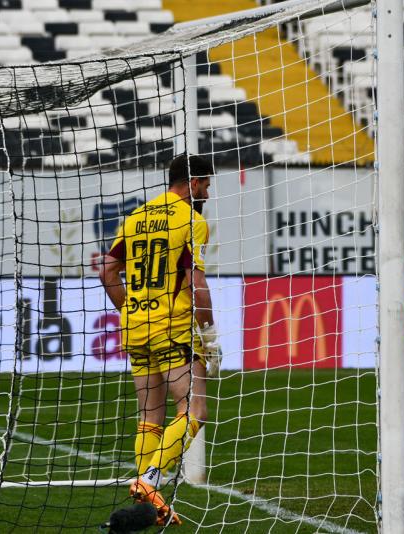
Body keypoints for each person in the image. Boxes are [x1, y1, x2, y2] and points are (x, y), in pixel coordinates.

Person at [99, 154, 222, 526]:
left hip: (135, 328)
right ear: (194, 182)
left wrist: (130, 311)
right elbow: (195, 282)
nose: (207, 193)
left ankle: (145, 506)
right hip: (173, 325)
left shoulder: (136, 217)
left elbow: (107, 272)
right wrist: (211, 335)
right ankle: (150, 478)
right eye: (206, 185)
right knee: (194, 411)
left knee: (150, 418)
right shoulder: (191, 221)